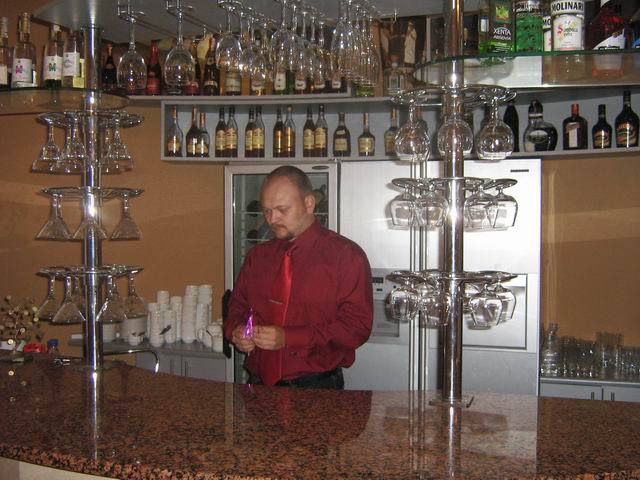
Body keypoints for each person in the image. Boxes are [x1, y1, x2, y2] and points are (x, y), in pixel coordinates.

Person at [224, 166, 373, 389]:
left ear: (309, 203)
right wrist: (237, 332)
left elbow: (356, 328)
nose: (272, 219)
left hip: (317, 388)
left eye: (282, 209)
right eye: (266, 211)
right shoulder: (258, 257)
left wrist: (289, 337)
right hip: (259, 386)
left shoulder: (346, 257)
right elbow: (237, 309)